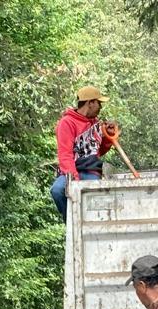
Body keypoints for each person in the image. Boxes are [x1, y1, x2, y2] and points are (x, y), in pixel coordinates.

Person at [51, 85, 117, 220]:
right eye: (99, 103)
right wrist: (74, 180)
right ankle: (71, 224)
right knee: (57, 191)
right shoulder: (67, 123)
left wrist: (108, 137)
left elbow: (98, 150)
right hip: (71, 171)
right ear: (90, 103)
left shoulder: (96, 124)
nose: (101, 107)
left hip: (91, 171)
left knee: (95, 198)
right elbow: (65, 154)